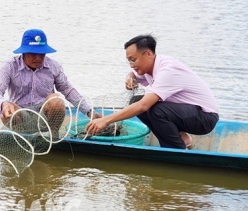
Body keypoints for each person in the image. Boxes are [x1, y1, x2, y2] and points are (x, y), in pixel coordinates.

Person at [85, 34, 219, 149]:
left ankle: (174, 149)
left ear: (148, 54)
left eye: (134, 60)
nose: (132, 65)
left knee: (153, 109)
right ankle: (181, 138)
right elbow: (132, 74)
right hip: (188, 112)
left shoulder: (167, 70)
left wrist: (106, 120)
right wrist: (129, 78)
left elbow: (144, 106)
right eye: (129, 61)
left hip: (205, 118)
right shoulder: (149, 66)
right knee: (135, 101)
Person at [0, 29, 101, 136]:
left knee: (56, 99)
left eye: (42, 53)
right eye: (33, 53)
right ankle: (19, 136)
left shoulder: (54, 66)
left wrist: (89, 112)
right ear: (24, 52)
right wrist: (4, 104)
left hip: (46, 117)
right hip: (21, 116)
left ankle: (52, 135)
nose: (38, 58)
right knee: (8, 109)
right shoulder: (9, 66)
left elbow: (68, 90)